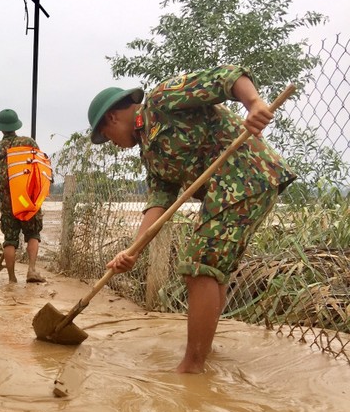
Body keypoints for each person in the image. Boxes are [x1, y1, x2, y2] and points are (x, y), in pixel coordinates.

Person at [88, 65, 296, 374]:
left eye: (107, 137)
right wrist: (132, 251)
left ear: (112, 118)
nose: (114, 145)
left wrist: (253, 104)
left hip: (247, 177)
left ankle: (191, 368)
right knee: (214, 268)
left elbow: (226, 77)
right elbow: (159, 199)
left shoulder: (163, 100)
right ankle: (203, 356)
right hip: (226, 192)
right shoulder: (150, 151)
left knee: (199, 266)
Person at [0, 109, 46, 283]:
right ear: (16, 125)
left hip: (8, 202)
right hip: (27, 198)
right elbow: (38, 167)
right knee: (33, 234)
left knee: (10, 240)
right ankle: (32, 271)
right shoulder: (29, 142)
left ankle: (12, 278)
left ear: (0, 128)